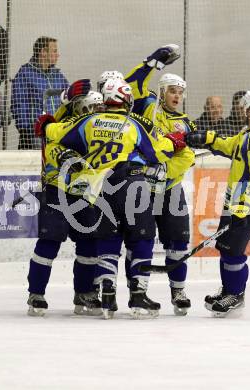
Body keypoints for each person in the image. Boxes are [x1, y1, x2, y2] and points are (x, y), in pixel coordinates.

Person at [41, 77, 187, 319]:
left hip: (99, 187)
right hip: (131, 184)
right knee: (143, 237)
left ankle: (108, 292)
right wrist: (173, 143)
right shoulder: (133, 124)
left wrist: (48, 122)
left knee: (109, 237)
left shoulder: (88, 120)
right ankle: (138, 295)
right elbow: (156, 152)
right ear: (125, 99)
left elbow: (54, 132)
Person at [185, 88, 250, 317]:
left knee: (233, 251)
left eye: (245, 106)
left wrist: (244, 207)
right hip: (237, 205)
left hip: (248, 209)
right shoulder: (249, 133)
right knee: (225, 248)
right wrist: (207, 139)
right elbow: (230, 147)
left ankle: (235, 295)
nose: (241, 109)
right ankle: (229, 290)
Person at [125, 44, 197, 315]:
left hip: (169, 188)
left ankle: (178, 290)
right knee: (141, 239)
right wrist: (152, 64)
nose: (177, 96)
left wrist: (166, 171)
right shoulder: (148, 106)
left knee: (178, 239)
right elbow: (131, 84)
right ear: (163, 92)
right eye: (172, 91)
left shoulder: (186, 125)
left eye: (180, 92)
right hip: (140, 185)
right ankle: (139, 291)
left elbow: (187, 157)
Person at [25, 79, 104, 317]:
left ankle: (84, 292)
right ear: (81, 107)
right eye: (93, 108)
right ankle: (36, 293)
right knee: (49, 242)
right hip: (57, 189)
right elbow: (51, 142)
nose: (98, 113)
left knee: (89, 245)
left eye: (100, 108)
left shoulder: (101, 128)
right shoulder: (66, 123)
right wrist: (62, 154)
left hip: (85, 192)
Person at [11, 36, 69, 150]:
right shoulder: (25, 73)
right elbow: (19, 103)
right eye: (54, 51)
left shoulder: (58, 76)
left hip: (55, 132)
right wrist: (25, 130)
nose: (58, 55)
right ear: (43, 52)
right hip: (34, 134)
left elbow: (68, 98)